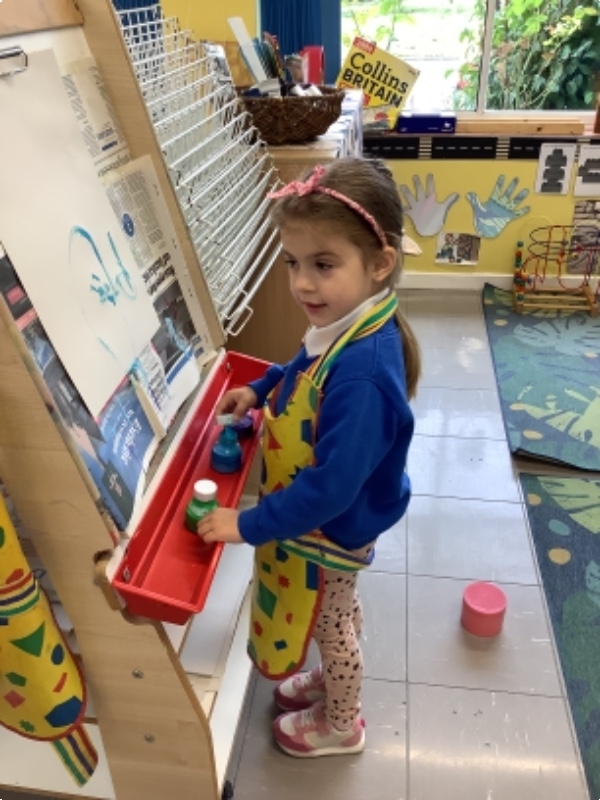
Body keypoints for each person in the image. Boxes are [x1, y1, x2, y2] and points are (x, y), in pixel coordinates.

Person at [198, 157, 420, 758]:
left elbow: (331, 489)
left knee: (330, 622)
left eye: (323, 265)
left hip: (335, 528)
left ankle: (342, 724)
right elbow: (302, 366)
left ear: (379, 264)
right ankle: (330, 677)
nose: (302, 284)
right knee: (337, 608)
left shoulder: (364, 374)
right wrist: (261, 388)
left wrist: (248, 524)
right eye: (293, 263)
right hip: (339, 521)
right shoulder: (347, 321)